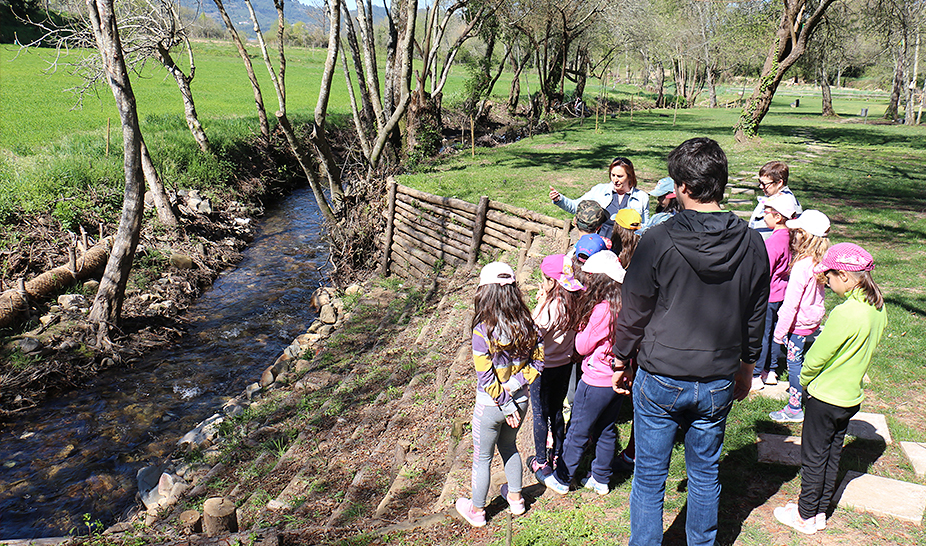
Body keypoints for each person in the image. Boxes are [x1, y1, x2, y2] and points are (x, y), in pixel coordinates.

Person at [613, 137, 770, 546]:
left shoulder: (658, 240)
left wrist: (620, 359)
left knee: (649, 477)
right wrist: (747, 370)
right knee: (705, 474)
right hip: (717, 377)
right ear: (720, 183)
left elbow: (634, 309)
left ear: (682, 186)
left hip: (661, 374)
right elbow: (756, 315)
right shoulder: (753, 242)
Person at [773, 243, 887, 535]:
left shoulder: (845, 313)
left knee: (813, 458)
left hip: (824, 398)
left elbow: (816, 357)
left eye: (829, 277)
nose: (827, 282)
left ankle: (804, 516)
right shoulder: (877, 308)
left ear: (846, 277)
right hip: (849, 397)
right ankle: (820, 512)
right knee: (832, 454)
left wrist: (806, 379)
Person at [456, 262, 544, 527]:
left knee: (482, 457)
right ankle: (516, 500)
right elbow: (538, 363)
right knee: (509, 446)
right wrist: (516, 387)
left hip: (492, 405)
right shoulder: (529, 323)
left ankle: (478, 511)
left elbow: (485, 377)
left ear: (486, 293)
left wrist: (504, 402)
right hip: (522, 400)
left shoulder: (483, 330)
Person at [541, 250, 627, 496]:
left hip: (594, 380)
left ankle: (562, 478)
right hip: (616, 377)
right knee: (606, 428)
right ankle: (601, 478)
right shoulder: (623, 304)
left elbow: (582, 346)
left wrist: (579, 329)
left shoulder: (601, 310)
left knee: (578, 429)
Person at [769, 210, 831, 423]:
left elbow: (791, 304)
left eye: (796, 232)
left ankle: (795, 407)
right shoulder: (820, 261)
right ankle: (811, 392)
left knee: (794, 363)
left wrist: (779, 333)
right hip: (813, 319)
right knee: (806, 359)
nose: (792, 236)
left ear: (804, 236)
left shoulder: (802, 266)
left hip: (799, 322)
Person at [528, 254, 583, 478]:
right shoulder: (575, 302)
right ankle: (558, 453)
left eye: (544, 279)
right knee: (557, 410)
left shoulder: (550, 308)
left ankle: (541, 460)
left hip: (543, 367)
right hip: (564, 364)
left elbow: (531, 335)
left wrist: (539, 305)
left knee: (540, 412)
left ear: (552, 282)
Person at [752, 192, 799, 391]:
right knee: (775, 334)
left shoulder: (773, 242)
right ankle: (771, 371)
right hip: (782, 293)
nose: (763, 215)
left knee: (762, 333)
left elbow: (764, 270)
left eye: (766, 212)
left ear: (778, 216)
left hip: (768, 295)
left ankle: (755, 375)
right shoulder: (790, 237)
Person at [550, 157, 650, 237]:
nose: (615, 180)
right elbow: (578, 207)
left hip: (627, 250)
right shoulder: (600, 191)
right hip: (602, 244)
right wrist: (560, 199)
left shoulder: (642, 197)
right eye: (613, 175)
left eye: (619, 176)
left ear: (629, 176)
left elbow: (645, 227)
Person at [747, 161, 803, 240]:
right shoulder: (770, 196)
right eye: (760, 182)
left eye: (764, 184)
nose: (760, 186)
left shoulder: (787, 203)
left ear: (779, 183)